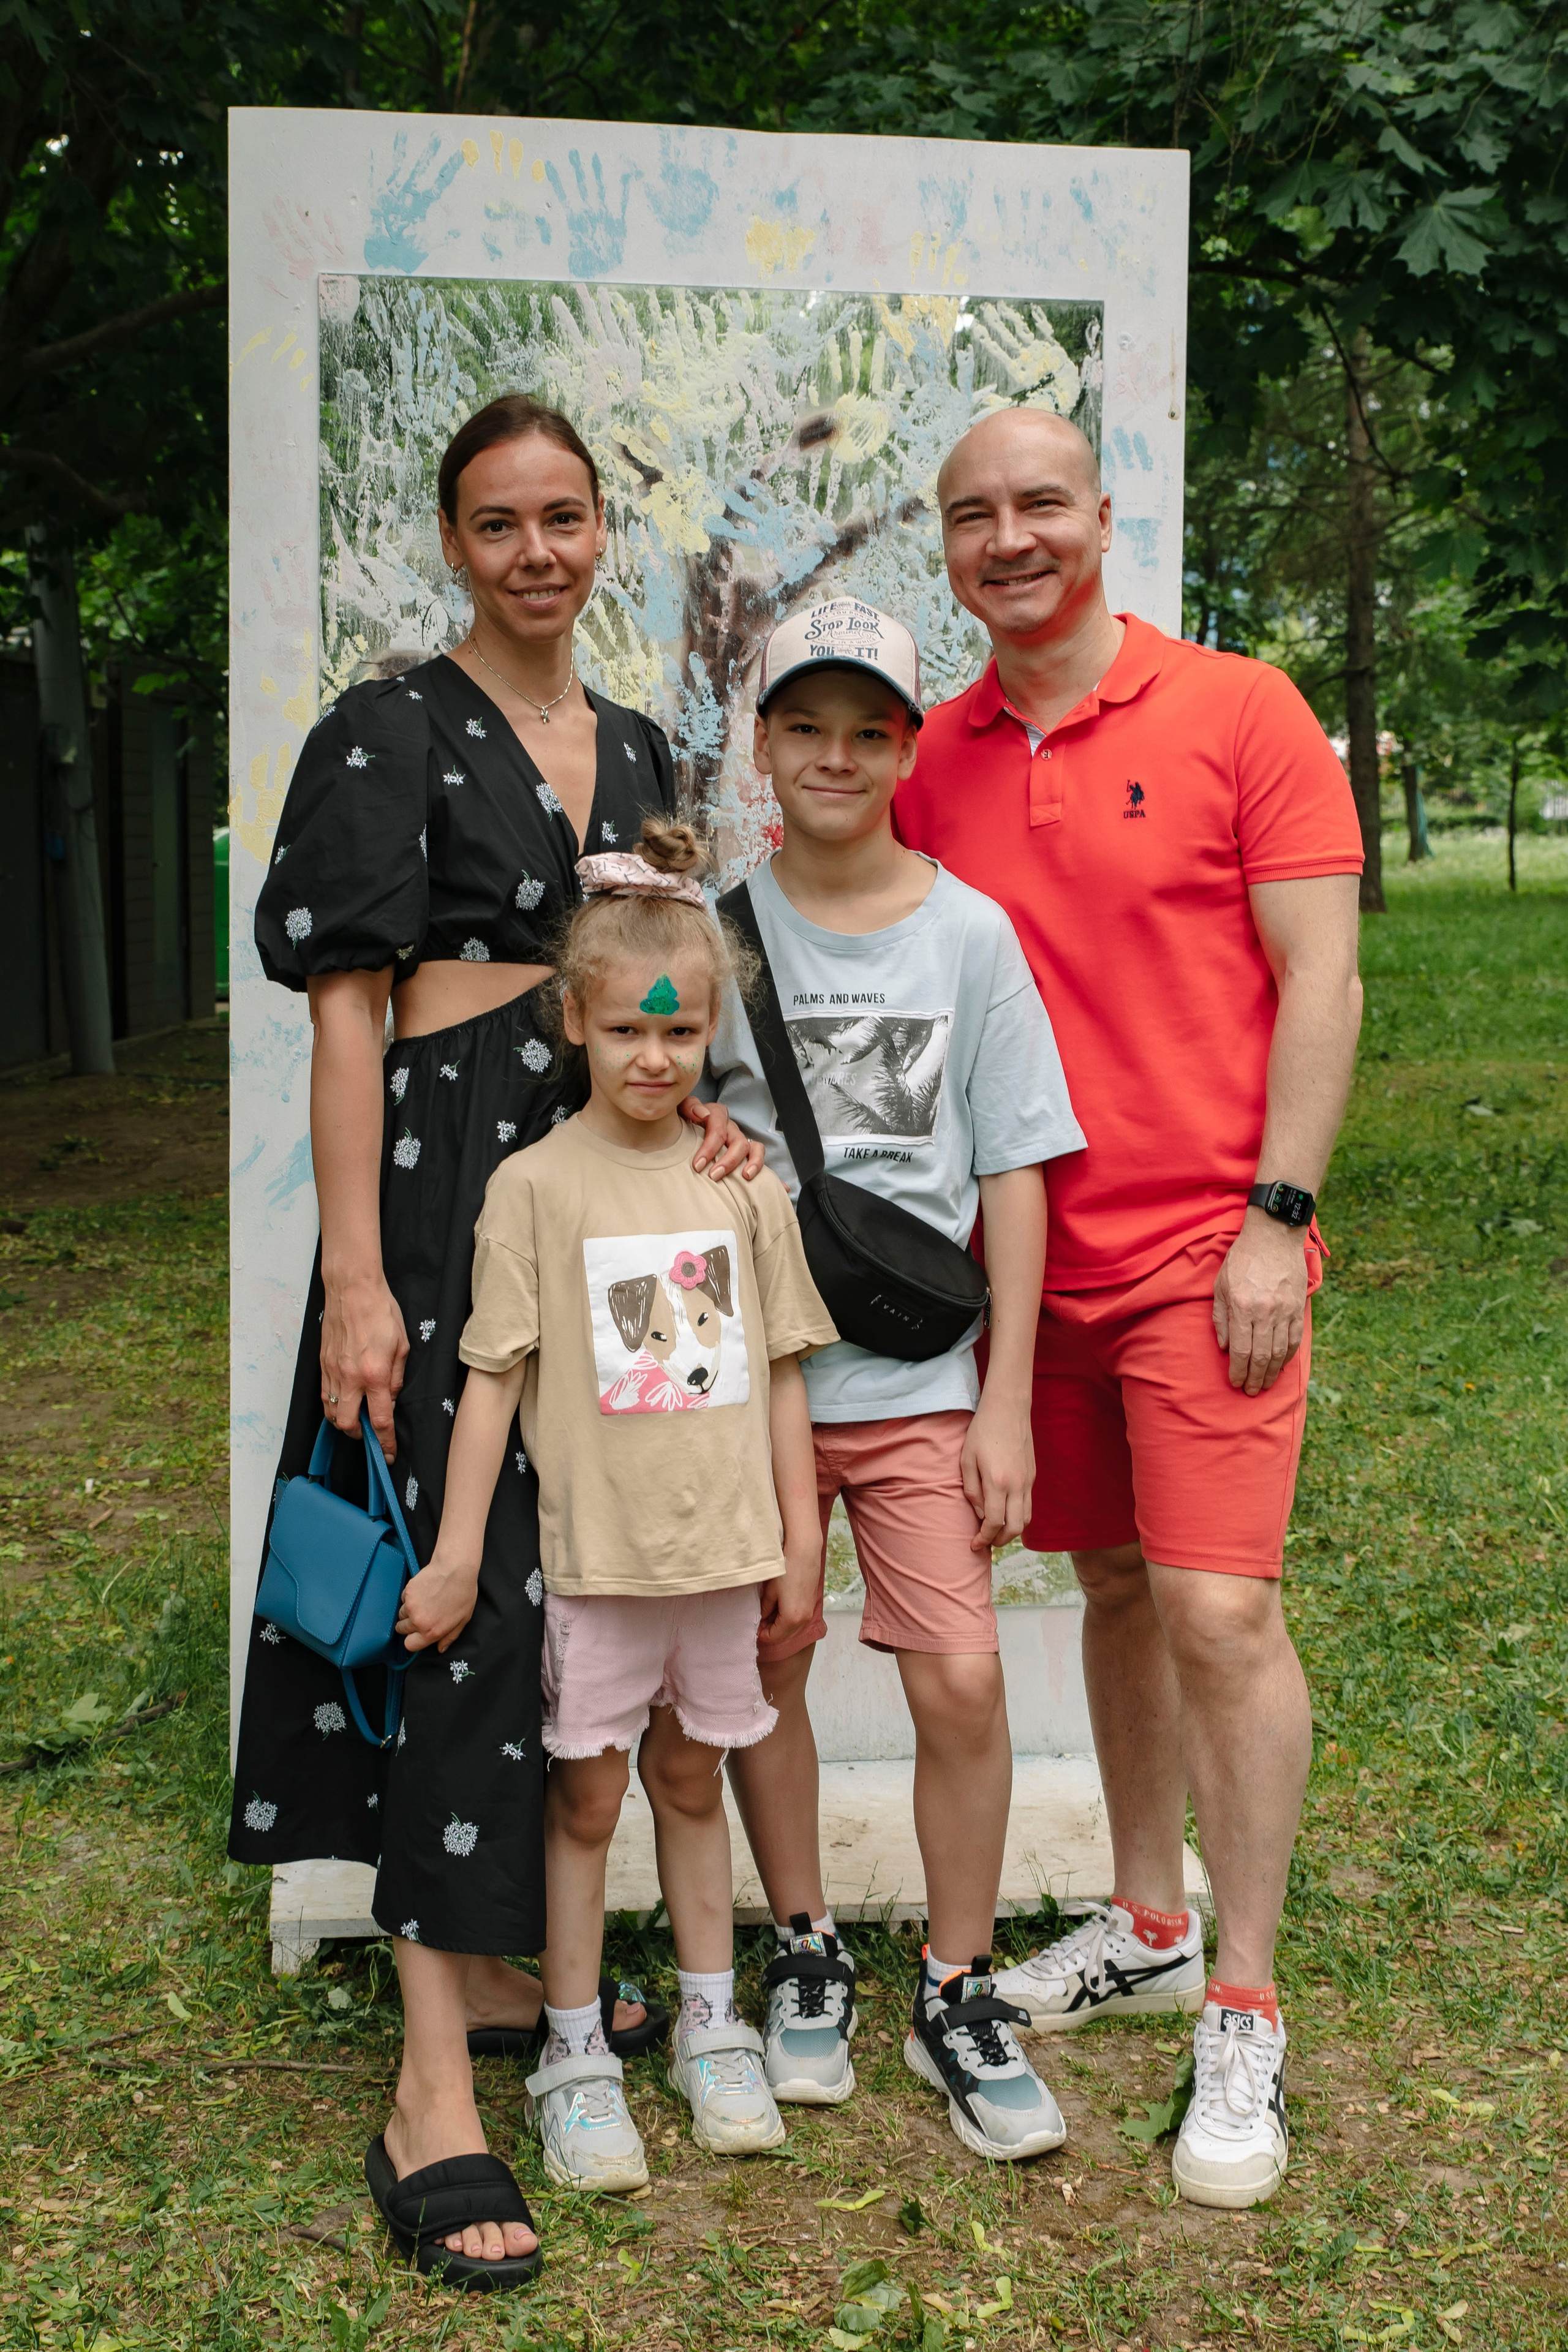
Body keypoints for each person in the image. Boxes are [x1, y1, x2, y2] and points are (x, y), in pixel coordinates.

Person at [228, 396, 757, 2287]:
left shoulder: (639, 750)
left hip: (612, 1223)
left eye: (565, 517)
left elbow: (669, 991)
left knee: (592, 1591)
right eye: (497, 522)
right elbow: (346, 1016)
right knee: (460, 1603)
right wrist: (357, 1276)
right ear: (453, 541)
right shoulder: (383, 727)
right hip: (444, 1205)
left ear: (602, 531)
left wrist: (704, 1120)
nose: (536, 550)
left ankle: (555, 1975)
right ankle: (432, 2082)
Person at [896, 406, 1364, 2209]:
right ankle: (1149, 1919)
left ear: (1101, 515)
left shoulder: (1242, 712)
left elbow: (1318, 977)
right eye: (971, 517)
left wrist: (1279, 1217)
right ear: (948, 551)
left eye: (1038, 504)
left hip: (1207, 1253)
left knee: (1221, 1613)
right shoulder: (929, 759)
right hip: (1023, 1265)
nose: (1008, 537)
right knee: (1106, 1586)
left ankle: (1241, 2005)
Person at [394, 820, 837, 2198]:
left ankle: (710, 2025)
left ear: (710, 1032)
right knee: (584, 1803)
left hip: (720, 1558)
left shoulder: (738, 1189)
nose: (656, 1059)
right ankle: (575, 2053)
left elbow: (773, 1375)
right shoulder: (531, 1191)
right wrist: (461, 1553)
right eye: (629, 1031)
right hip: (592, 1569)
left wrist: (799, 1535)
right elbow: (487, 1384)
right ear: (572, 1020)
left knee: (692, 1782)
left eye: (683, 1032)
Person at [710, 598, 1086, 2163]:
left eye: (870, 730)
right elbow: (643, 1093)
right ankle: (802, 1944)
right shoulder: (718, 934)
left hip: (923, 1383)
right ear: (763, 746)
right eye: (807, 727)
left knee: (960, 1679)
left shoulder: (968, 931)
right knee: (763, 1665)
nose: (837, 756)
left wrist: (1002, 1399)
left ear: (909, 748)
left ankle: (953, 1978)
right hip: (757, 1392)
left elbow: (1010, 1167)